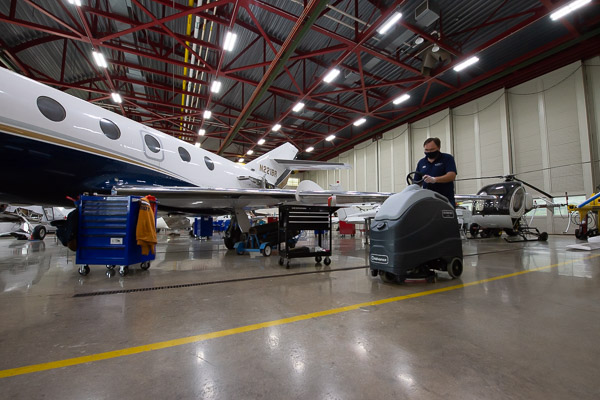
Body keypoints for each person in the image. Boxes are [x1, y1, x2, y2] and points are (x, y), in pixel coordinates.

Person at [416, 137, 457, 207]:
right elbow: (416, 182)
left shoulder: (447, 158)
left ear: (439, 148)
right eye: (426, 150)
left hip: (445, 200)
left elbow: (451, 175)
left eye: (432, 150)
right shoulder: (421, 162)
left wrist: (435, 180)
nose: (429, 152)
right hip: (427, 201)